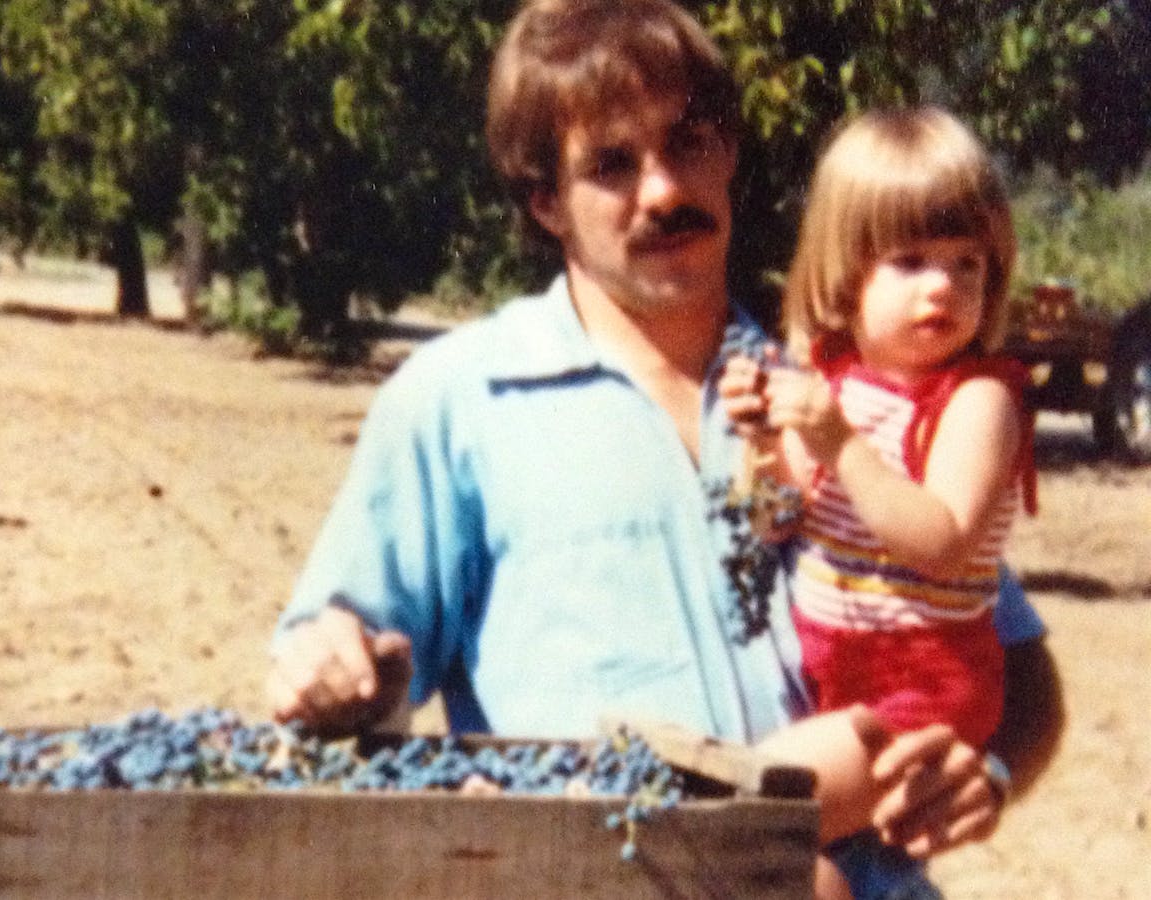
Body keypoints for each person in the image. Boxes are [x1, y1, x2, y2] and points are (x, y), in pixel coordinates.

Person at [265, 1, 1061, 897]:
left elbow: (1019, 669)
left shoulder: (842, 394)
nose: (664, 191)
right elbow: (341, 663)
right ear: (545, 202)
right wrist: (333, 661)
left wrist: (989, 775)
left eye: (689, 142)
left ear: (729, 155)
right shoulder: (458, 401)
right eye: (612, 164)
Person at [719, 105, 1038, 897]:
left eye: (969, 263)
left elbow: (944, 538)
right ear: (844, 272)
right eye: (911, 260)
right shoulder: (834, 385)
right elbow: (777, 519)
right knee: (808, 862)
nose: (945, 287)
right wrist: (763, 445)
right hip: (838, 670)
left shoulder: (977, 402)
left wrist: (842, 446)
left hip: (921, 687)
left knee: (748, 814)